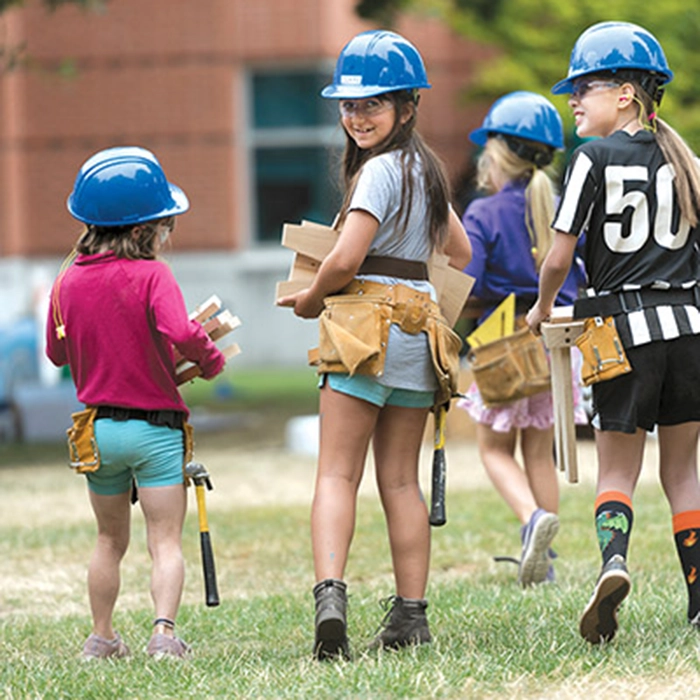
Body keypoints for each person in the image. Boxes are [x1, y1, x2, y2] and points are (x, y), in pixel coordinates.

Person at [277, 29, 472, 659]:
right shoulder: (428, 171)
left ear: (407, 108)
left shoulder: (378, 172)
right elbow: (462, 253)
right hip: (418, 338)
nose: (357, 116)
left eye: (372, 105)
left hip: (362, 335)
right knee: (401, 483)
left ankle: (331, 600)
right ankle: (410, 618)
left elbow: (344, 259)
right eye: (350, 105)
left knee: (336, 473)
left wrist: (309, 301)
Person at [526, 21, 700, 644]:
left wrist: (543, 308)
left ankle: (614, 563)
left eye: (585, 87)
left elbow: (557, 255)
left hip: (616, 329)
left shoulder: (590, 159)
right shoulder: (688, 162)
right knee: (684, 472)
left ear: (625, 93)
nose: (573, 99)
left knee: (615, 472)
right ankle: (698, 596)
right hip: (689, 329)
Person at [46, 146, 226, 660]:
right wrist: (210, 360)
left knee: (108, 541)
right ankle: (164, 635)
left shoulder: (66, 282)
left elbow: (55, 351)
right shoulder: (153, 276)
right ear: (145, 229)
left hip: (99, 432)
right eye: (165, 225)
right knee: (164, 540)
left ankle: (101, 637)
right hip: (155, 431)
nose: (167, 234)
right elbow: (179, 331)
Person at [457, 91, 587, 587]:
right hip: (559, 342)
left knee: (493, 449)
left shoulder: (484, 214)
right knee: (539, 452)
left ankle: (532, 520)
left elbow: (467, 281)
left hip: (506, 342)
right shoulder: (563, 206)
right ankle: (545, 563)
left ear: (498, 153)